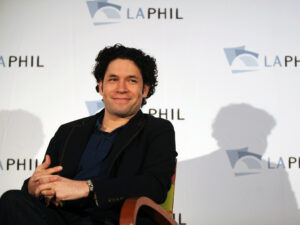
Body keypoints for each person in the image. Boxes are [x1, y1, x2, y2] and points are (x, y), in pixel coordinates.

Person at [0, 44, 177, 225]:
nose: (121, 88)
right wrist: (33, 185)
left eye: (132, 80)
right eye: (113, 79)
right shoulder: (69, 131)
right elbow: (48, 177)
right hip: (60, 216)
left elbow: (155, 185)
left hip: (112, 218)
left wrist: (87, 188)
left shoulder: (157, 129)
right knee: (12, 200)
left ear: (145, 90)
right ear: (101, 87)